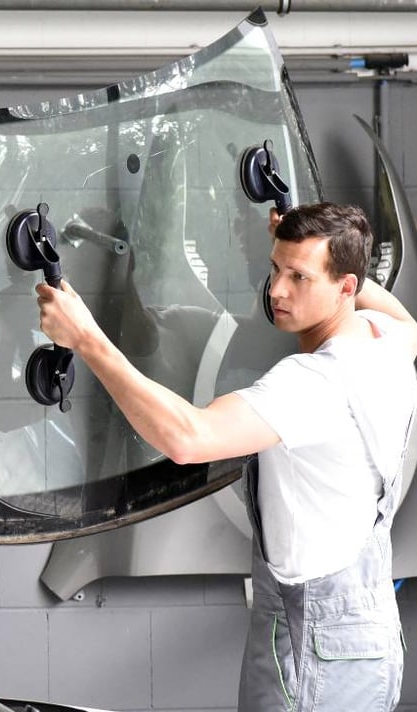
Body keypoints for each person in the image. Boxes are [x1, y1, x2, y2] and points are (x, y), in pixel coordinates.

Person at [35, 201, 417, 712]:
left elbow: (187, 437)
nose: (276, 290)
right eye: (276, 268)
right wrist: (314, 256)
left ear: (345, 287)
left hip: (313, 651)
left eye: (299, 277)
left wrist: (86, 338)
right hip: (368, 636)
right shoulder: (386, 339)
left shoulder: (314, 384)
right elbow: (399, 312)